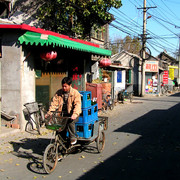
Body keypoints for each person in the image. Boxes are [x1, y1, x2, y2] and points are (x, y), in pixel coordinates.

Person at [45, 77, 81, 145]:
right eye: (63, 86)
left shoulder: (75, 93)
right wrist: (49, 113)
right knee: (60, 127)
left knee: (70, 122)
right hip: (62, 114)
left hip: (72, 114)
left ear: (70, 85)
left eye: (65, 86)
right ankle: (61, 142)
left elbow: (78, 105)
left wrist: (75, 114)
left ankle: (73, 137)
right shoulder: (59, 93)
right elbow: (54, 104)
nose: (64, 88)